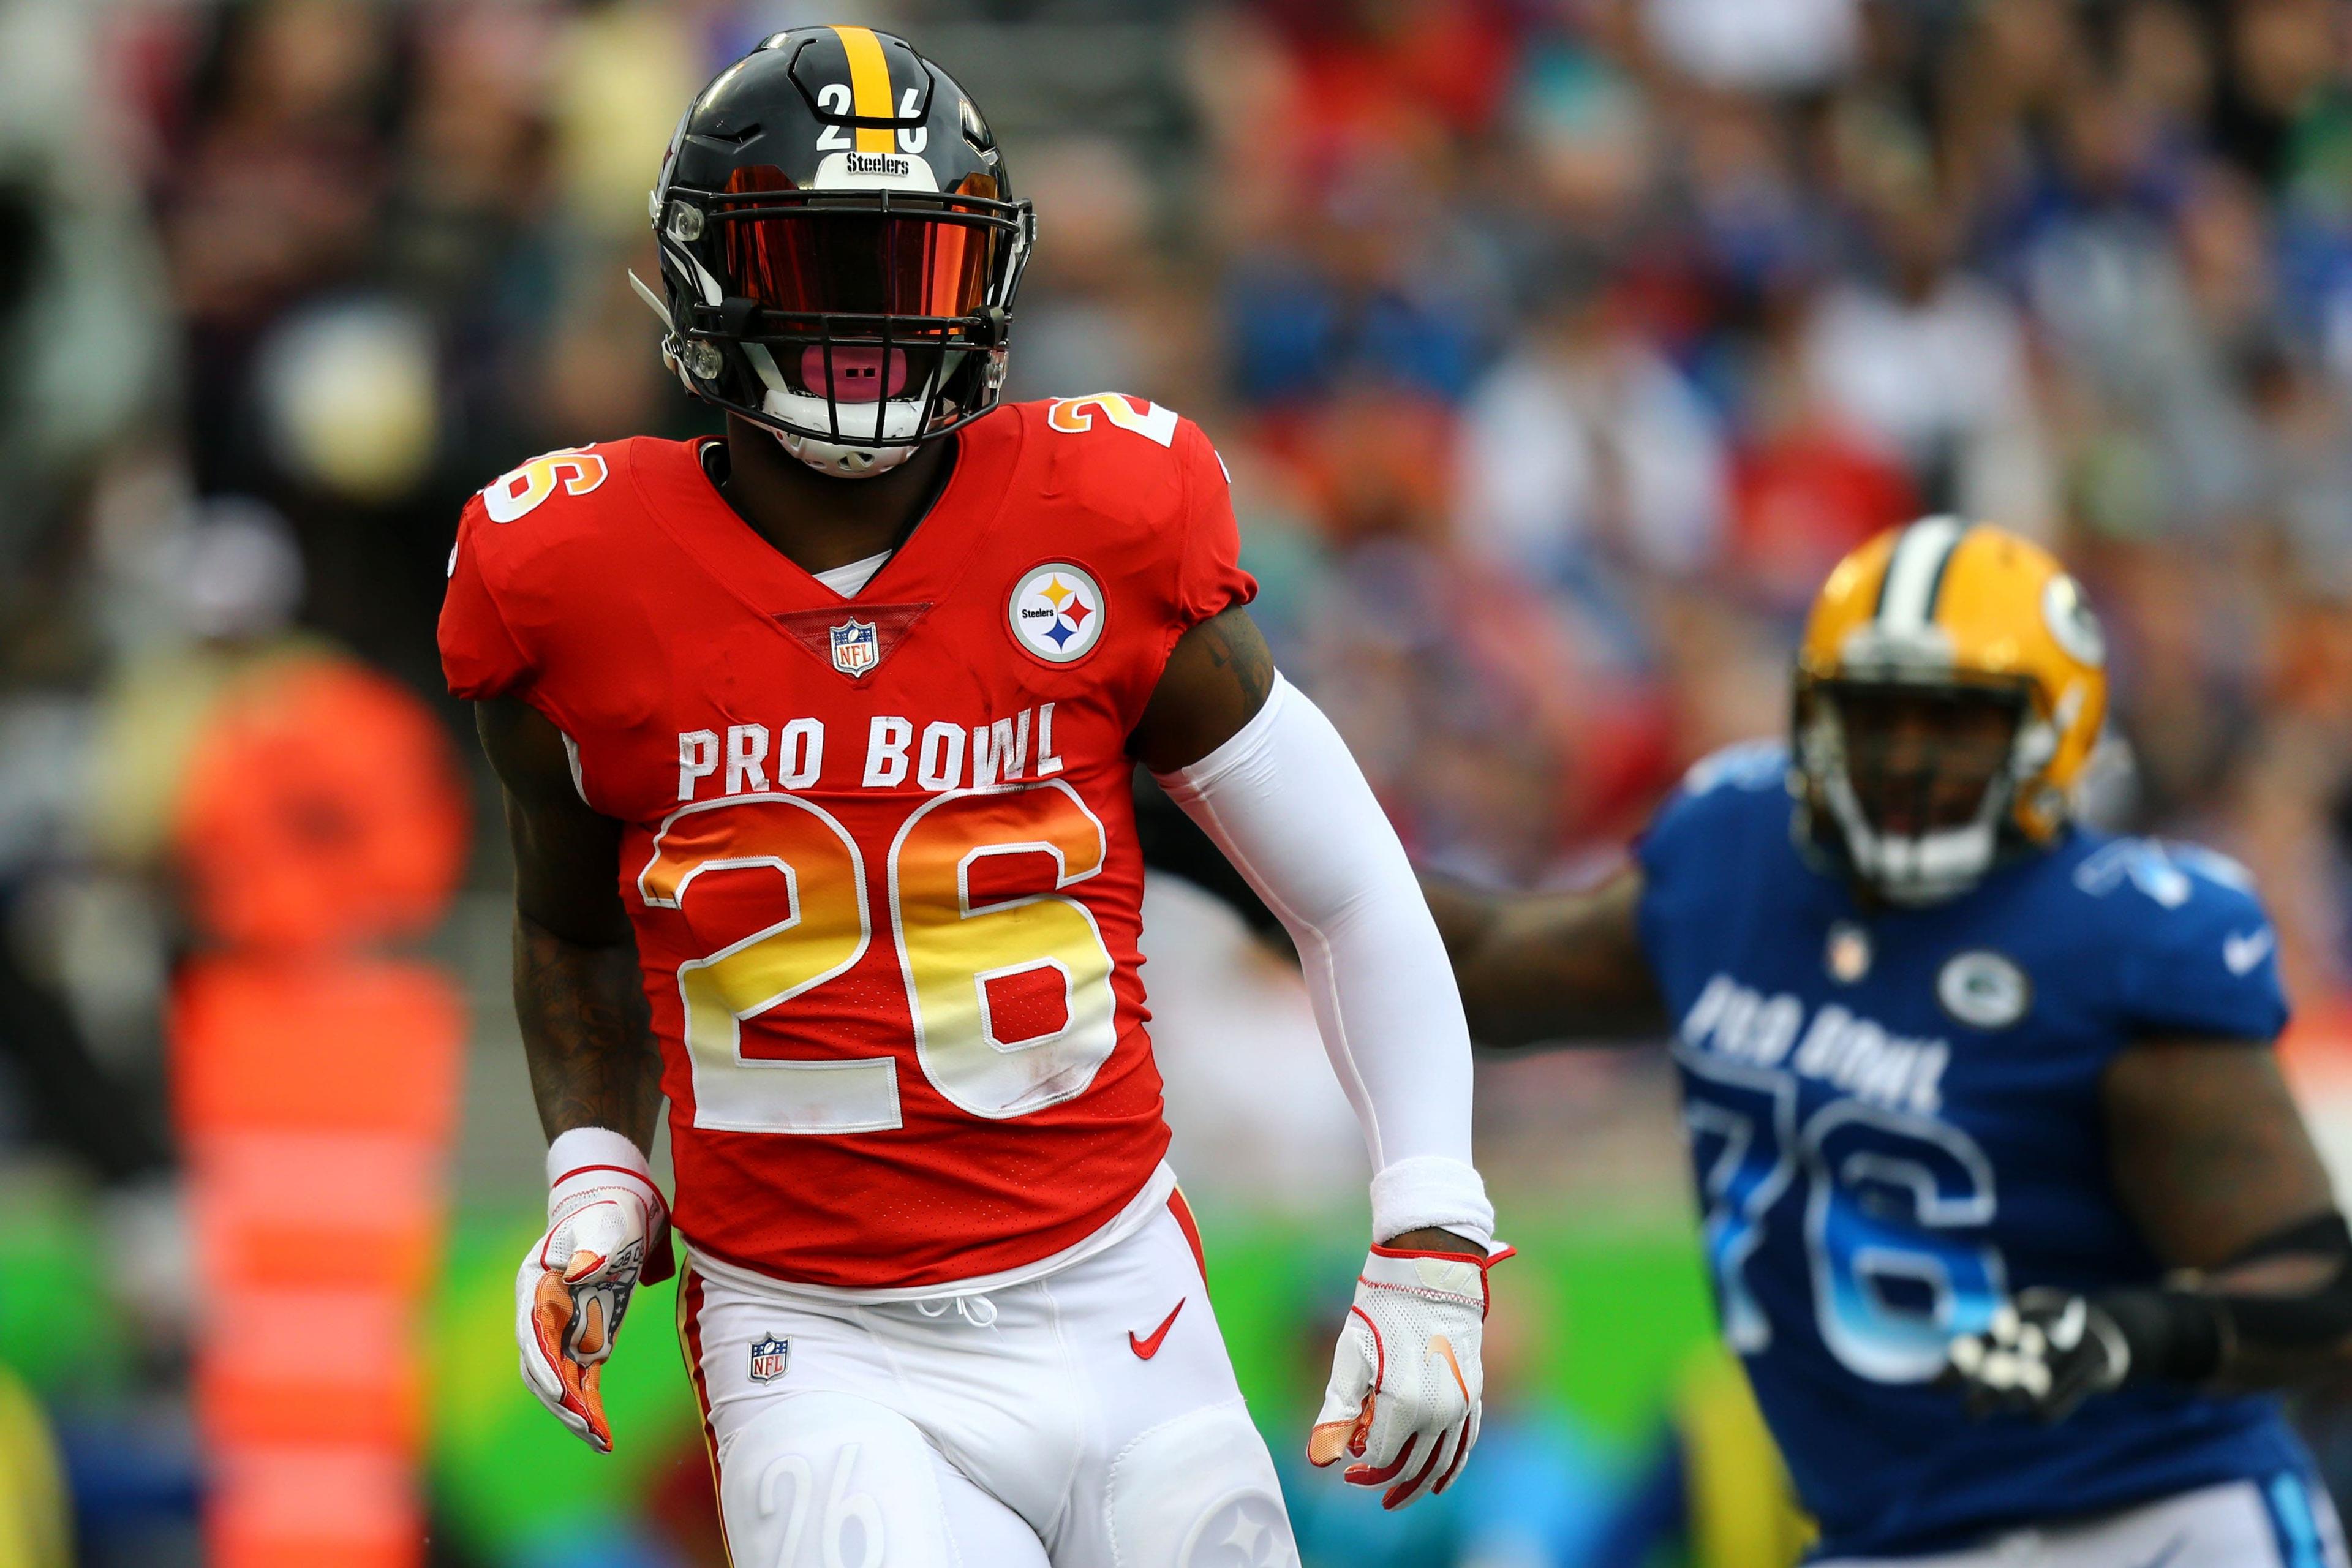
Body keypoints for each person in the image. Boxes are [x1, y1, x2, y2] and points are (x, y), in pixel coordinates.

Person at [435, 27, 1507, 1566]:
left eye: (910, 266)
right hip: (813, 1331)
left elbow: (1345, 887)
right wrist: (599, 1161)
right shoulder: (569, 573)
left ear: (986, 284)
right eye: (817, 262)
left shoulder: (1106, 516)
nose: (867, 320)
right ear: (703, 278)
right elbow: (567, 920)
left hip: (1115, 1283)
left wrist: (1429, 1221)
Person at [1425, 516, 2352, 1566]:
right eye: (1877, 716)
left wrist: (2125, 1335)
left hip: (2150, 1520)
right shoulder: (1742, 865)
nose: (1907, 759)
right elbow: (1479, 968)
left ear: (2057, 734)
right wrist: (1231, 816)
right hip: (1891, 1540)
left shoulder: (2117, 944)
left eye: (1953, 721)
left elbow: (2317, 1290)